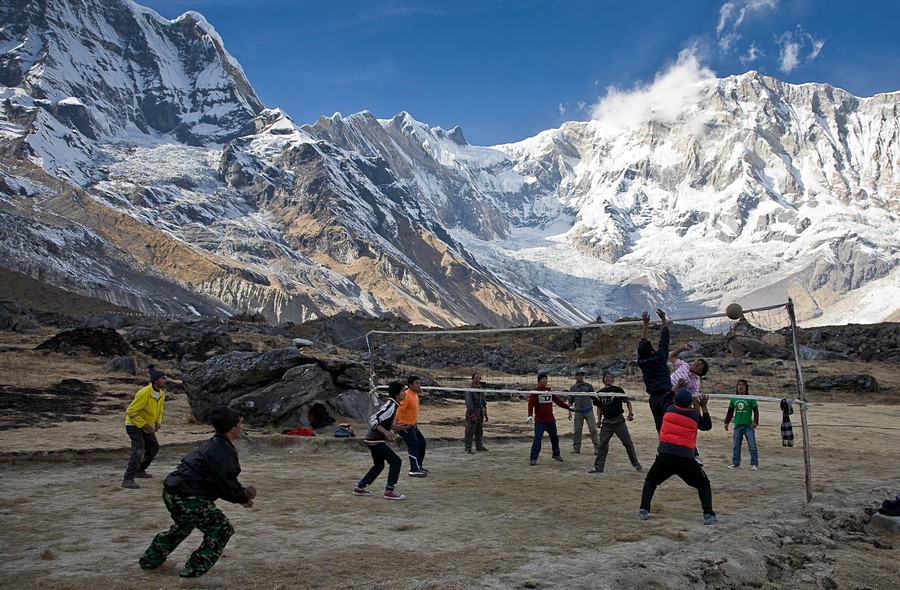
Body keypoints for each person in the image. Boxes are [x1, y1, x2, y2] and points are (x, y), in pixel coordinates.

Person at [139, 405, 257, 580]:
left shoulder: (214, 444)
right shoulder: (222, 451)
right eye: (240, 423)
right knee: (221, 529)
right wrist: (246, 494)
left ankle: (151, 561)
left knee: (183, 526)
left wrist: (238, 497)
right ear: (232, 427)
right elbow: (226, 483)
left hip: (172, 493)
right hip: (187, 497)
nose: (242, 427)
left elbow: (218, 483)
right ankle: (193, 576)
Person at [638, 390, 717, 525]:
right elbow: (707, 426)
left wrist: (675, 388)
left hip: (664, 457)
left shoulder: (669, 409)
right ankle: (708, 514)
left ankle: (643, 510)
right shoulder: (694, 415)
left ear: (675, 400)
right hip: (685, 459)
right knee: (703, 484)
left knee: (651, 481)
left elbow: (662, 400)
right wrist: (703, 406)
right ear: (689, 403)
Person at [354, 381, 407, 500]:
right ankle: (389, 490)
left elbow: (384, 422)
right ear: (397, 394)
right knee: (396, 461)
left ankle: (360, 487)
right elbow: (373, 420)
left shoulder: (393, 405)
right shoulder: (390, 406)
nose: (405, 393)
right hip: (376, 440)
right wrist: (386, 432)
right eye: (403, 391)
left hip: (374, 440)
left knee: (378, 465)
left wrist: (396, 428)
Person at [122, 365, 168, 489]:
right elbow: (131, 411)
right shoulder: (144, 393)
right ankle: (128, 478)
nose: (165, 380)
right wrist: (145, 425)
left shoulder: (161, 394)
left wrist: (158, 422)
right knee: (138, 449)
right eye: (163, 378)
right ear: (156, 380)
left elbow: (160, 409)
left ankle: (139, 470)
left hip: (146, 426)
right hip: (134, 425)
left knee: (154, 447)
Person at [590, 372, 642, 473]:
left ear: (613, 379)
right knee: (602, 445)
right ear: (603, 380)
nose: (608, 379)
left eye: (610, 377)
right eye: (606, 377)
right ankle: (598, 467)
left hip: (619, 421)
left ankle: (636, 463)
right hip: (607, 422)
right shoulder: (600, 393)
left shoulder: (618, 390)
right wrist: (599, 420)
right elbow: (599, 407)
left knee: (627, 443)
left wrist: (631, 414)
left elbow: (627, 401)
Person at [637, 309, 679, 433]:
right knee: (675, 424)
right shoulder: (660, 357)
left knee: (661, 427)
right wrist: (663, 319)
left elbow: (642, 343)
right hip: (667, 395)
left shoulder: (641, 362)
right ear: (651, 351)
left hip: (654, 399)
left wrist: (645, 325)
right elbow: (665, 338)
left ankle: (664, 450)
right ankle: (691, 451)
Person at [669, 342, 709, 465]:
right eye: (696, 362)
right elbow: (671, 356)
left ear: (700, 373)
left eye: (698, 365)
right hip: (666, 394)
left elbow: (694, 398)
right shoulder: (684, 365)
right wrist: (682, 348)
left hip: (676, 402)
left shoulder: (695, 381)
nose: (695, 364)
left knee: (682, 429)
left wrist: (697, 415)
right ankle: (668, 453)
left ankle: (694, 453)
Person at [527, 373, 573, 465]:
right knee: (537, 439)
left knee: (554, 438)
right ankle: (533, 458)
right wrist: (530, 415)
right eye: (543, 379)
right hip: (540, 421)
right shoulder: (535, 391)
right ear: (539, 380)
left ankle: (556, 454)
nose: (545, 381)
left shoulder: (549, 390)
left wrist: (568, 407)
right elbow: (530, 404)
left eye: (546, 379)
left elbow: (558, 401)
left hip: (550, 420)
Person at [724, 379, 760, 470]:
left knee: (752, 446)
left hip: (748, 426)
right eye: (739, 385)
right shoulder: (734, 398)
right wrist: (726, 422)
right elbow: (730, 411)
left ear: (746, 387)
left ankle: (754, 464)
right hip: (737, 426)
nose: (740, 387)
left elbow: (756, 411)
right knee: (736, 446)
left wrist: (755, 422)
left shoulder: (750, 398)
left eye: (743, 385)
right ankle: (735, 463)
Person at [397, 375, 428, 476]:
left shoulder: (414, 394)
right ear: (410, 385)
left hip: (412, 425)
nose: (419, 385)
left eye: (419, 383)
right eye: (417, 383)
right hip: (404, 426)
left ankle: (417, 466)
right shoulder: (406, 395)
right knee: (413, 445)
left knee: (422, 443)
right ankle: (414, 469)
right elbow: (399, 410)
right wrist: (396, 424)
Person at [567, 370, 598, 454]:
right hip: (578, 411)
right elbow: (570, 401)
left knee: (593, 429)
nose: (580, 377)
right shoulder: (573, 388)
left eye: (581, 375)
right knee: (577, 430)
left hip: (588, 410)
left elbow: (594, 397)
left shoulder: (588, 386)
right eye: (578, 375)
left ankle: (597, 448)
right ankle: (576, 448)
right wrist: (569, 412)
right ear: (575, 377)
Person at [464, 373, 489, 453]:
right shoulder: (469, 390)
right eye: (476, 378)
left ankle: (479, 446)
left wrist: (485, 413)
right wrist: (472, 414)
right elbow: (469, 403)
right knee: (470, 431)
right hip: (473, 412)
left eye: (479, 379)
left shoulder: (480, 389)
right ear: (472, 379)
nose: (478, 380)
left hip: (480, 412)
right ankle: (468, 448)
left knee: (479, 431)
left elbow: (483, 402)